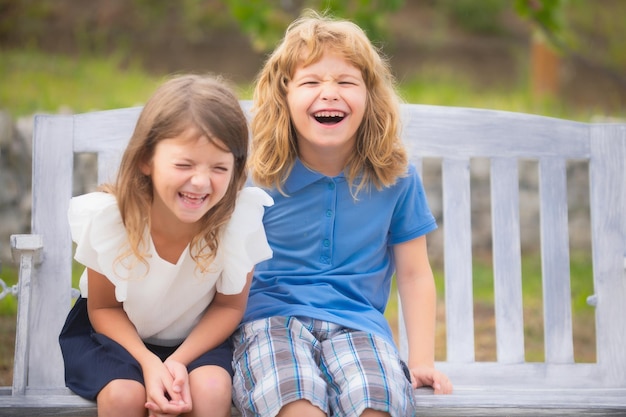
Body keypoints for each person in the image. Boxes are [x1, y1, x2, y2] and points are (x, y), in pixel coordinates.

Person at [230, 10, 453, 417]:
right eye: (311, 81)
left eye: (346, 82)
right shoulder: (257, 176)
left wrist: (421, 360)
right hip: (270, 323)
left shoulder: (395, 178)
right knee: (295, 402)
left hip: (361, 328)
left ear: (370, 97)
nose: (329, 93)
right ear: (284, 95)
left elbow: (415, 273)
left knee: (376, 402)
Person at [59, 74, 273, 417]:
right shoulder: (114, 221)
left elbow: (229, 308)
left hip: (198, 339)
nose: (200, 181)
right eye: (184, 164)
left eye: (219, 167)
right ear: (147, 160)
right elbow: (103, 309)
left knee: (211, 389)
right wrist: (148, 363)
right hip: (117, 336)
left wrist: (176, 363)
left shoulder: (237, 222)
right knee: (123, 395)